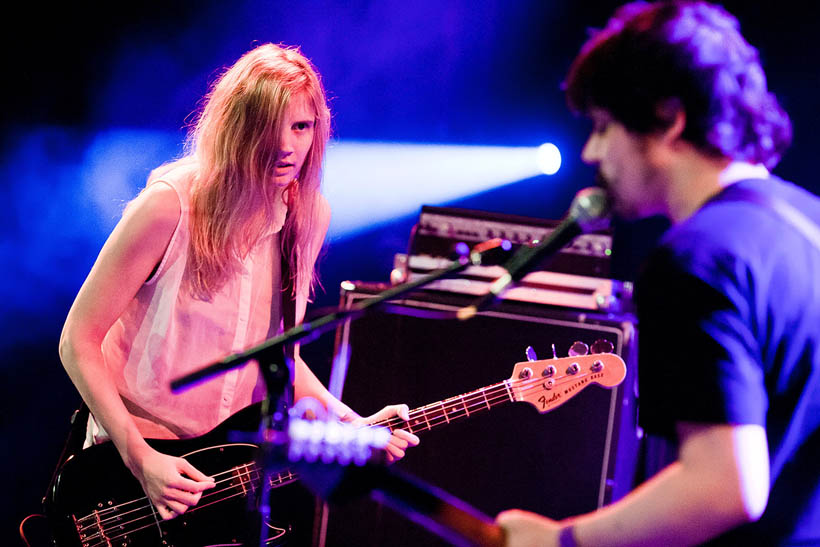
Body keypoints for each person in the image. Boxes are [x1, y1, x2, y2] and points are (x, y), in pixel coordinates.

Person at [497, 2, 820, 546]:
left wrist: (562, 541)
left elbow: (725, 486)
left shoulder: (696, 257)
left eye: (604, 126)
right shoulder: (810, 222)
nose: (592, 151)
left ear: (669, 119)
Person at [58, 43, 419, 524]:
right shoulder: (169, 206)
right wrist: (140, 458)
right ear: (237, 127)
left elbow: (278, 353)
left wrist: (350, 422)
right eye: (269, 126)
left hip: (216, 470)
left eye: (301, 126)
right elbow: (77, 340)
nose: (286, 146)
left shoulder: (307, 217)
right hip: (130, 466)